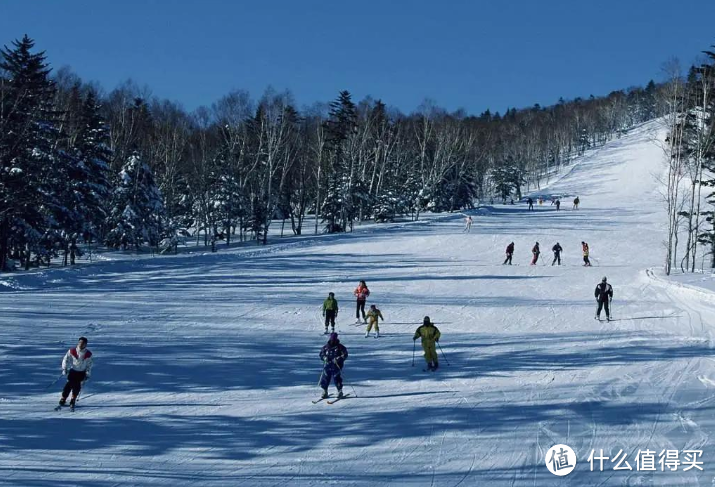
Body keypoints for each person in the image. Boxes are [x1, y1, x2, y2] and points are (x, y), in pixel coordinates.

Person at [58, 336, 93, 409]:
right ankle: (63, 398)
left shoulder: (88, 354)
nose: (81, 344)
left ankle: (73, 399)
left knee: (77, 386)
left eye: (83, 343)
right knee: (69, 385)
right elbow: (65, 359)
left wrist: (87, 374)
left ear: (85, 344)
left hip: (81, 372)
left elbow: (89, 365)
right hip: (73, 371)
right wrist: (64, 368)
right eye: (80, 342)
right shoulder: (72, 351)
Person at [319, 332, 348, 399]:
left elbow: (345, 355)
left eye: (334, 339)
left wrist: (339, 358)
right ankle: (324, 391)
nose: (333, 340)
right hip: (327, 365)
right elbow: (321, 354)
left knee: (336, 378)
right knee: (325, 378)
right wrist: (324, 358)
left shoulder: (340, 347)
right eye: (332, 339)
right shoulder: (326, 347)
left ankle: (339, 391)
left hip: (337, 366)